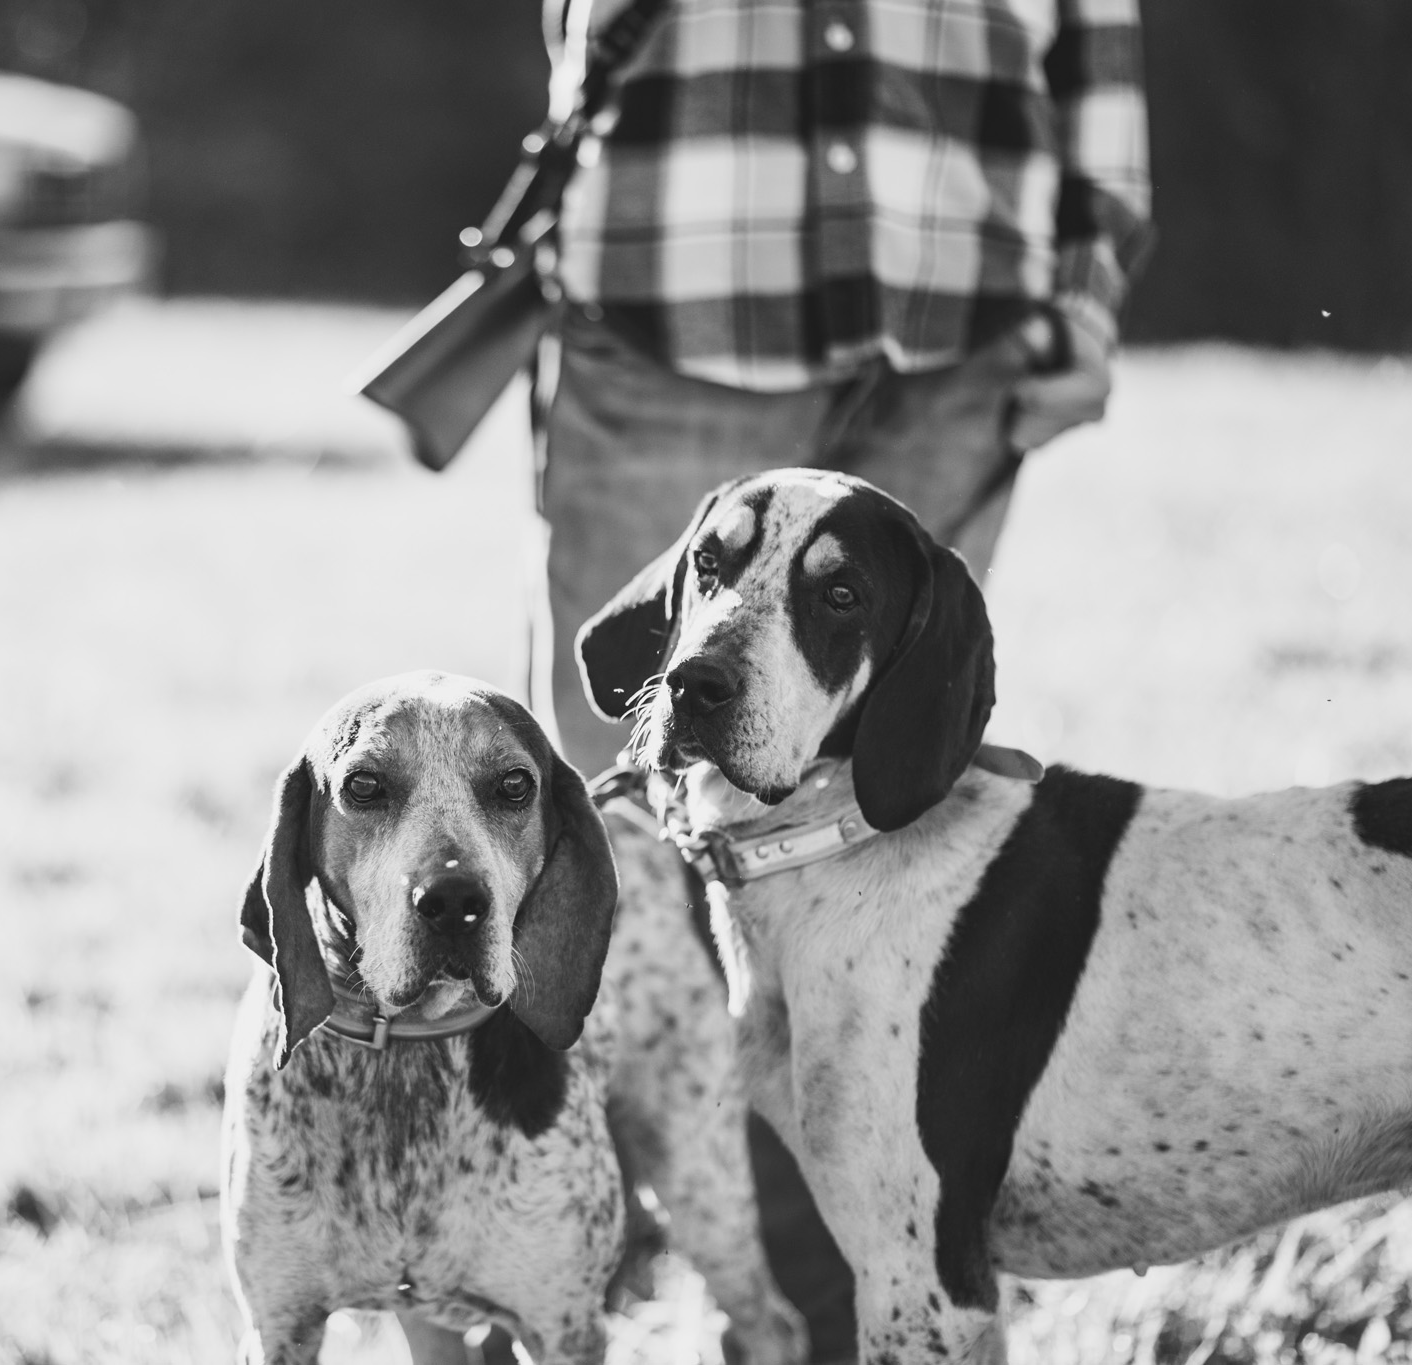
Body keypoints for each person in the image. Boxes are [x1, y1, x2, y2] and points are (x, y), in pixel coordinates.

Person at [515, 0, 1154, 1362]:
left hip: (959, 295)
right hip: (676, 270)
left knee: (886, 841)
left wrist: (1088, 278)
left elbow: (1095, 23)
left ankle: (839, 1314)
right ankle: (590, 1276)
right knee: (616, 857)